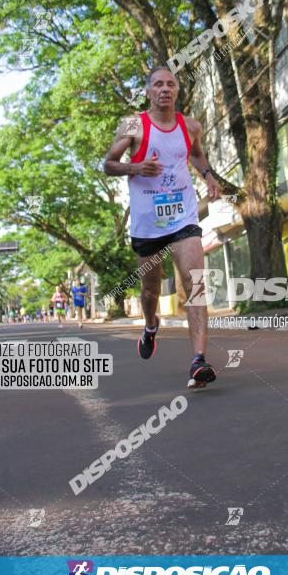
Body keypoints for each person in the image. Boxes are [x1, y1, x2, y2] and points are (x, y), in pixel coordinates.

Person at [103, 66, 221, 388]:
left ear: (177, 91)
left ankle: (198, 360)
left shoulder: (191, 125)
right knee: (150, 290)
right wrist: (136, 166)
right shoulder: (133, 124)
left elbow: (196, 156)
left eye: (170, 84)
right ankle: (151, 325)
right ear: (148, 92)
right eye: (158, 84)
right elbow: (108, 163)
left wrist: (208, 176)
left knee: (195, 283)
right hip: (147, 223)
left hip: (183, 215)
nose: (165, 89)